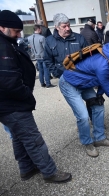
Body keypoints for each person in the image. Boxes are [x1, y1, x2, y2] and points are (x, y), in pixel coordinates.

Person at [0, 10, 71, 183]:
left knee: (18, 136)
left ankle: (26, 168)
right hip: (13, 104)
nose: (19, 34)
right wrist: (27, 97)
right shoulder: (3, 47)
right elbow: (9, 82)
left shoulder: (7, 42)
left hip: (9, 104)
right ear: (2, 27)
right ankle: (49, 171)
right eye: (16, 30)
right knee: (33, 139)